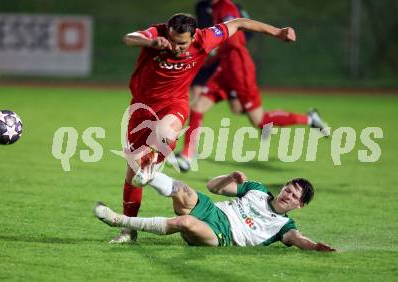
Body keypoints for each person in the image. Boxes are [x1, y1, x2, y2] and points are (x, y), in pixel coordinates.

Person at [113, 13, 301, 243]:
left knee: (164, 133)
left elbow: (240, 23)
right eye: (172, 40)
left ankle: (154, 161)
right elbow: (129, 37)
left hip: (174, 103)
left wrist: (278, 32)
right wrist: (150, 42)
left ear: (193, 37)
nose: (175, 47)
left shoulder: (206, 38)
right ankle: (128, 230)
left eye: (181, 43)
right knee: (132, 177)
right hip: (141, 108)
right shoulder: (157, 33)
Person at [175, 0, 329, 172]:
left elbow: (233, 36)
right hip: (226, 65)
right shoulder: (214, 7)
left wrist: (209, 49)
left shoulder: (225, 6)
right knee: (197, 107)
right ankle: (187, 156)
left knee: (260, 120)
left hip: (239, 67)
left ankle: (309, 119)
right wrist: (210, 57)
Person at [94, 169, 336, 251]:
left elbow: (297, 239)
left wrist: (315, 246)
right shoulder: (258, 190)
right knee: (182, 189)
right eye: (288, 188)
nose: (287, 195)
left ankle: (119, 221)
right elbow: (213, 187)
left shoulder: (284, 226)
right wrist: (230, 176)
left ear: (299, 206)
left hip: (222, 235)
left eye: (294, 195)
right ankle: (149, 176)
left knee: (185, 222)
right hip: (212, 210)